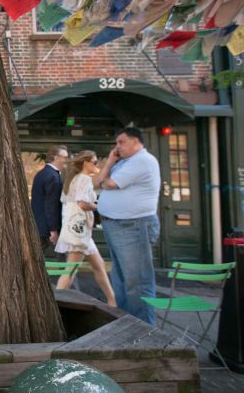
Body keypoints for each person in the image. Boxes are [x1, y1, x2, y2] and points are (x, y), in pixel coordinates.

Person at [93, 128, 160, 325]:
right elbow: (99, 182)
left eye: (121, 142)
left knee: (137, 282)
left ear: (136, 141)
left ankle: (143, 330)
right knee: (121, 280)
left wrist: (106, 178)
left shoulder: (142, 160)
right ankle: (124, 324)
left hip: (132, 226)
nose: (117, 147)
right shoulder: (123, 162)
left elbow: (110, 184)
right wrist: (110, 162)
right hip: (118, 226)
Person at [54, 150, 116, 307]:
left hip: (78, 231)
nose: (96, 165)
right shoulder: (84, 179)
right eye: (94, 162)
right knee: (70, 271)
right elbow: (82, 204)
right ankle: (55, 304)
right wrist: (99, 205)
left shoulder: (73, 179)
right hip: (79, 232)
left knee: (98, 265)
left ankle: (112, 301)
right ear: (85, 163)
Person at [31, 145, 68, 259]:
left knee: (37, 258)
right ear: (56, 157)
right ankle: (67, 277)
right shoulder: (52, 176)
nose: (67, 160)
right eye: (65, 157)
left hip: (40, 224)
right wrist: (53, 229)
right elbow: (51, 205)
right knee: (63, 260)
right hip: (47, 227)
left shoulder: (42, 173)